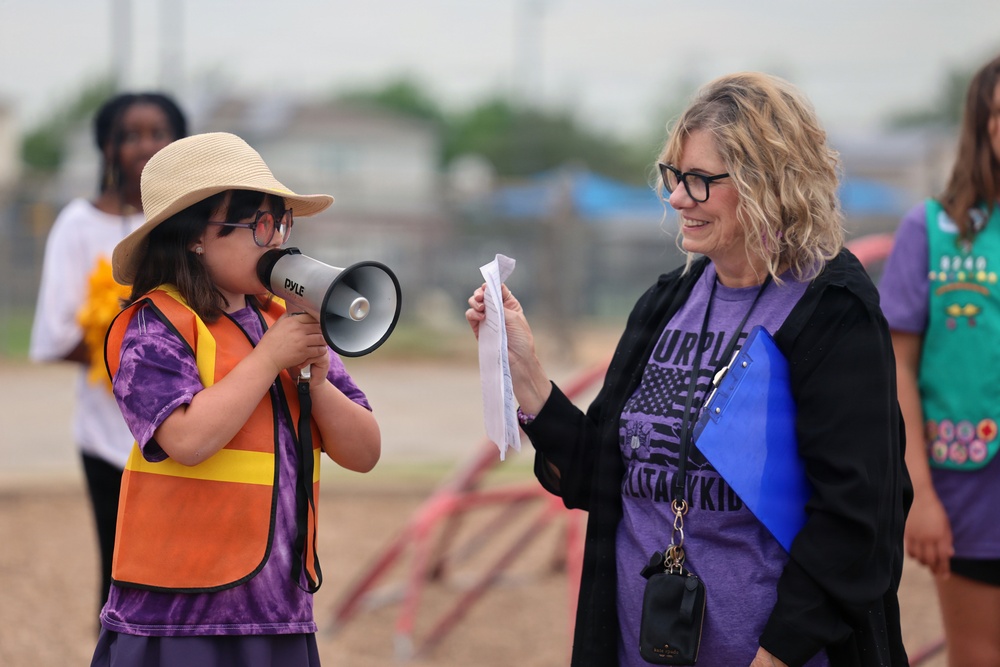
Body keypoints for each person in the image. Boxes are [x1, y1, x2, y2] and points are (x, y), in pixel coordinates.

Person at [466, 72, 911, 666]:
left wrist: (777, 655)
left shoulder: (831, 312)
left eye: (700, 180)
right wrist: (525, 369)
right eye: (674, 177)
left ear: (769, 183)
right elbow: (597, 476)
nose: (677, 198)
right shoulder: (666, 302)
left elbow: (858, 521)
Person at [89, 131, 381, 666]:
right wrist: (269, 360)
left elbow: (364, 453)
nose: (276, 240)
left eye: (281, 222)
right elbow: (187, 439)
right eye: (259, 224)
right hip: (176, 615)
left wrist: (314, 374)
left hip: (277, 608)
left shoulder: (285, 322)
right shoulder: (155, 326)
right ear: (194, 234)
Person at [29, 92, 187, 613]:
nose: (145, 145)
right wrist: (132, 352)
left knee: (184, 570)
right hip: (107, 437)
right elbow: (54, 336)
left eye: (158, 132)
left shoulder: (191, 223)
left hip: (190, 429)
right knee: (123, 574)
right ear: (106, 148)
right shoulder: (79, 224)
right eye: (130, 135)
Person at [879, 54, 1000, 666]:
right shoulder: (931, 232)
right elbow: (896, 367)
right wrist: (919, 494)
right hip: (970, 487)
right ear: (982, 127)